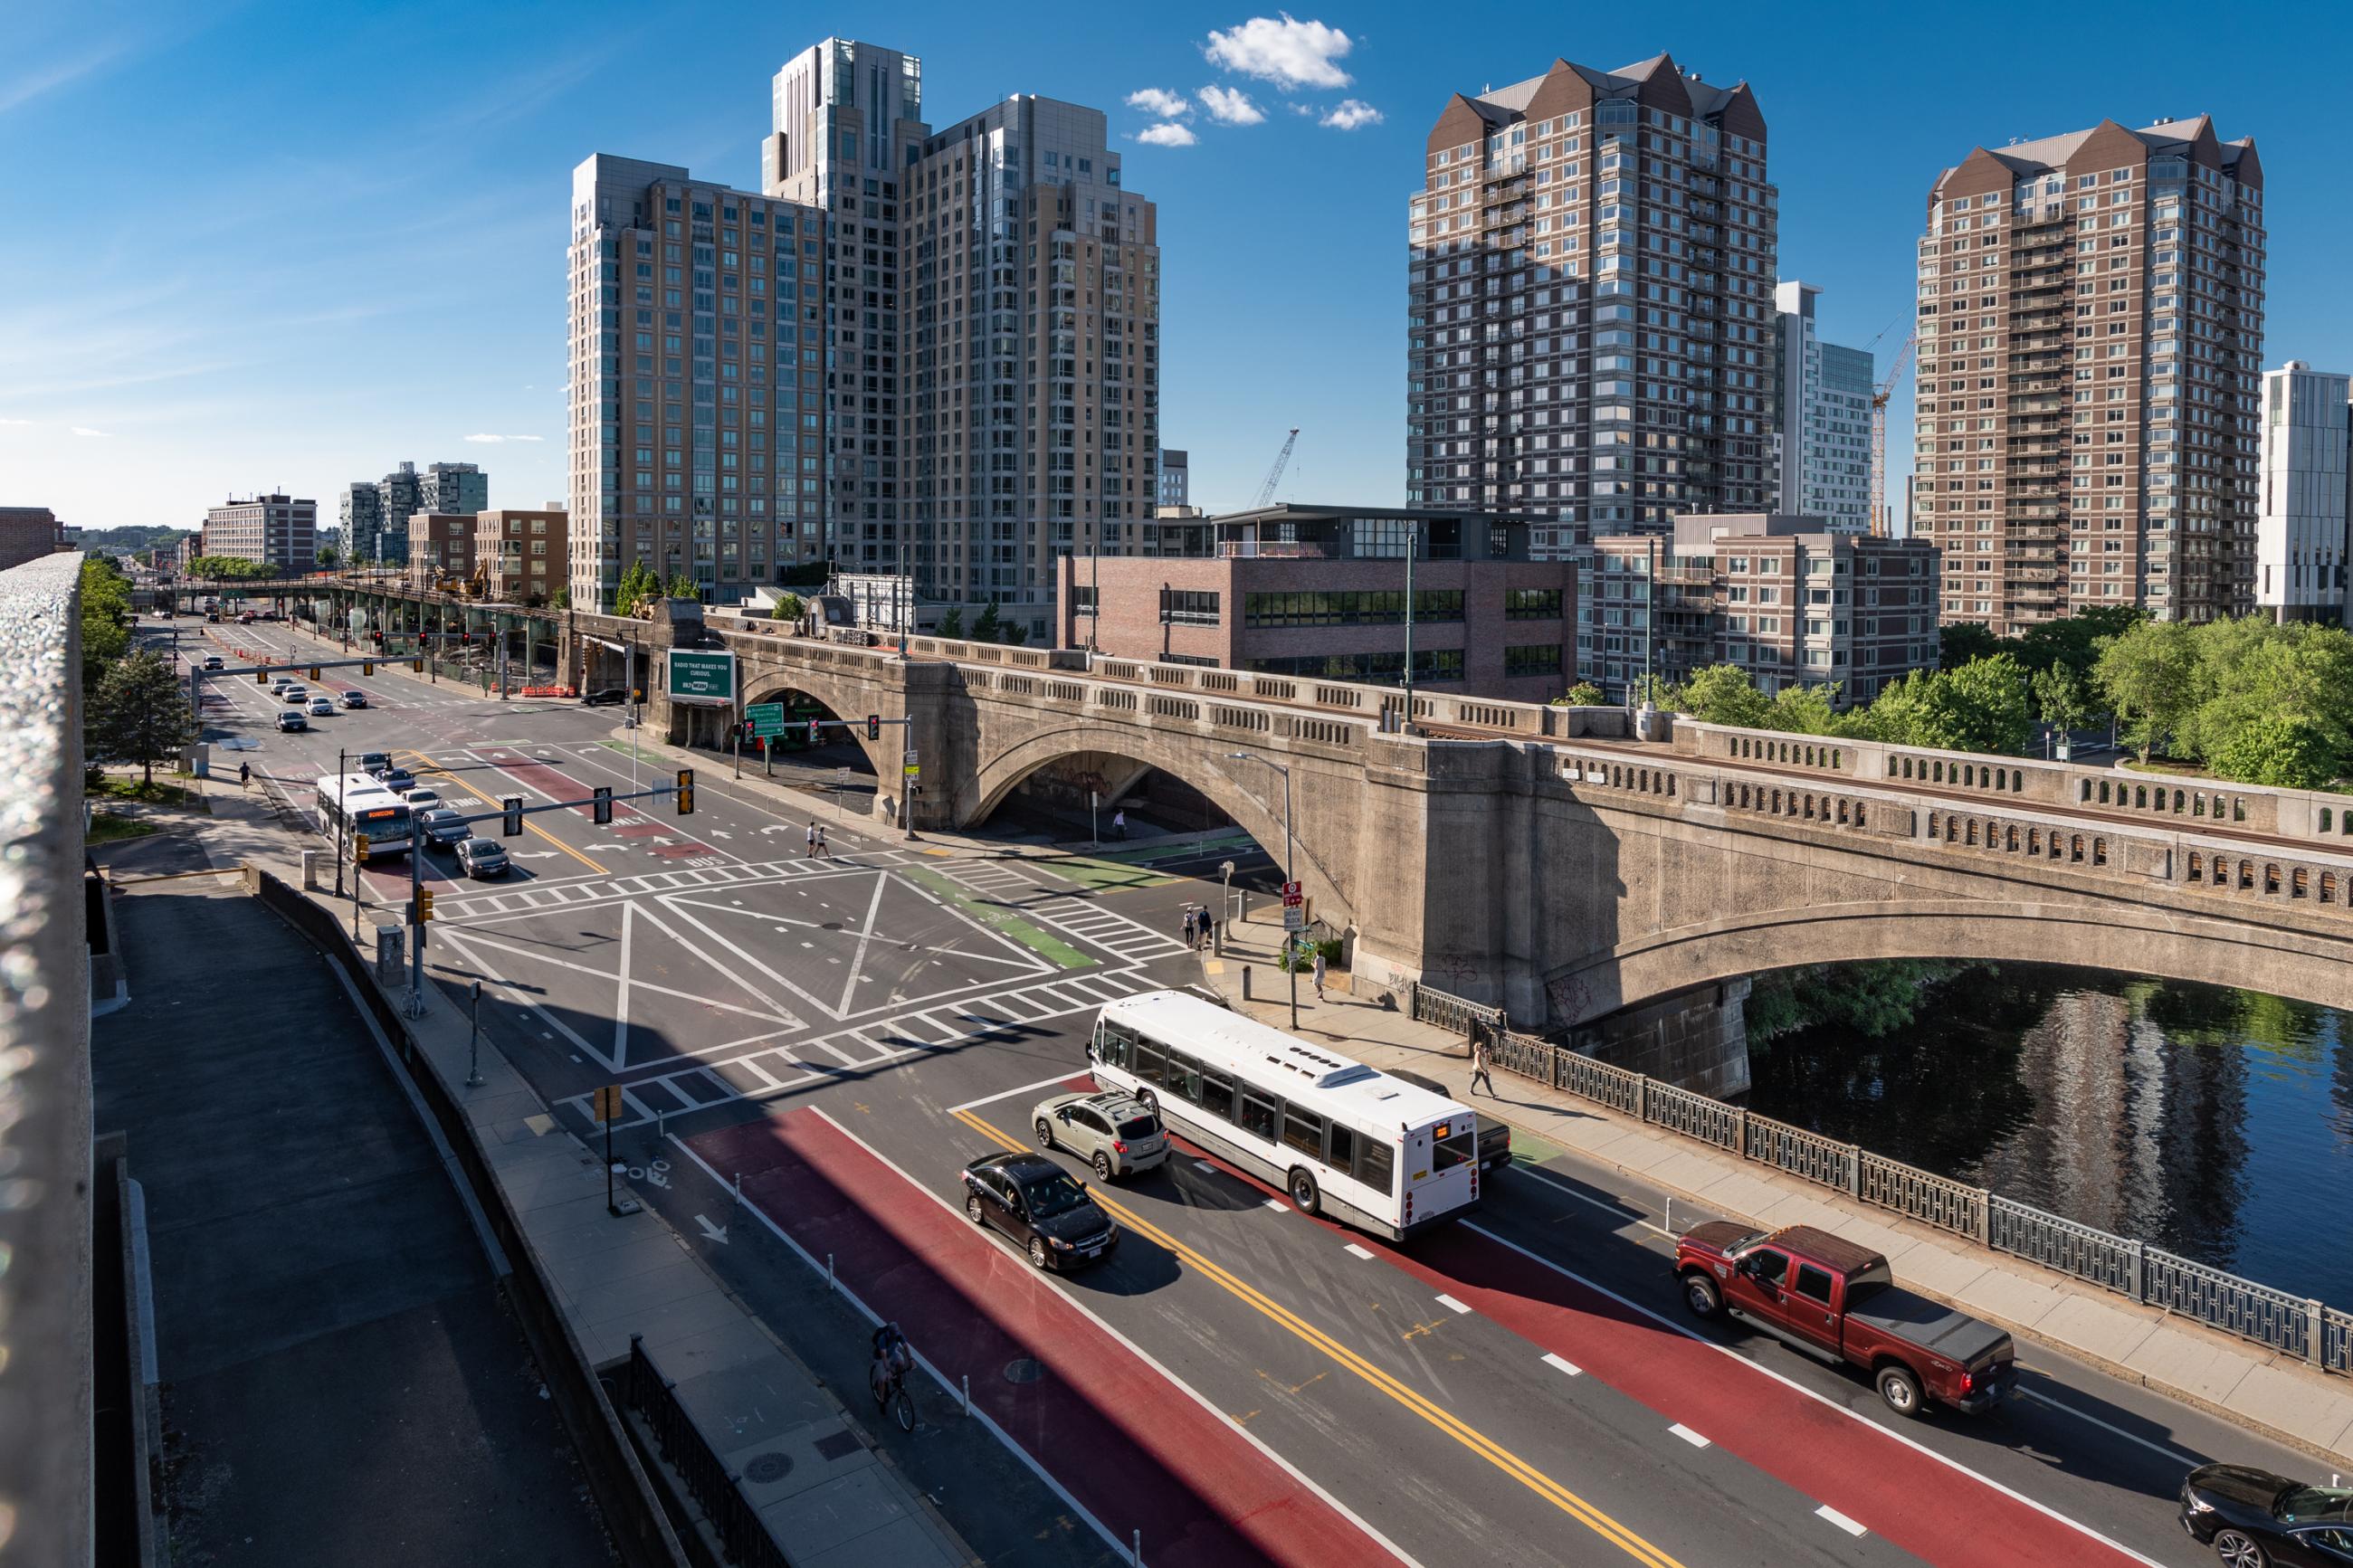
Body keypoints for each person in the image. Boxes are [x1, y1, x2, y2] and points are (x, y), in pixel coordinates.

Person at [870, 1321, 913, 1404]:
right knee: (882, 1380)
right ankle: (881, 1401)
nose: (896, 1336)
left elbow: (905, 1346)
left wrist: (911, 1360)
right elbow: (884, 1357)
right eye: (894, 1335)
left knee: (900, 1362)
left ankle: (898, 1381)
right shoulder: (882, 1338)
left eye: (897, 1334)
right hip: (880, 1358)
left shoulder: (898, 1334)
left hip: (892, 1353)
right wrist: (888, 1370)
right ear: (890, 1333)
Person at [1469, 1033, 1496, 1098]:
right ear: (1478, 1047)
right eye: (1481, 1046)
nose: (1482, 1047)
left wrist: (1488, 1053)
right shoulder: (1478, 1054)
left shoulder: (1484, 1052)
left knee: (1487, 1083)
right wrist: (1483, 1071)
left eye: (1483, 1046)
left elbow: (1489, 1060)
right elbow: (1478, 1064)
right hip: (1478, 1070)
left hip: (1484, 1069)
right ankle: (1471, 1090)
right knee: (1475, 1080)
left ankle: (1492, 1094)